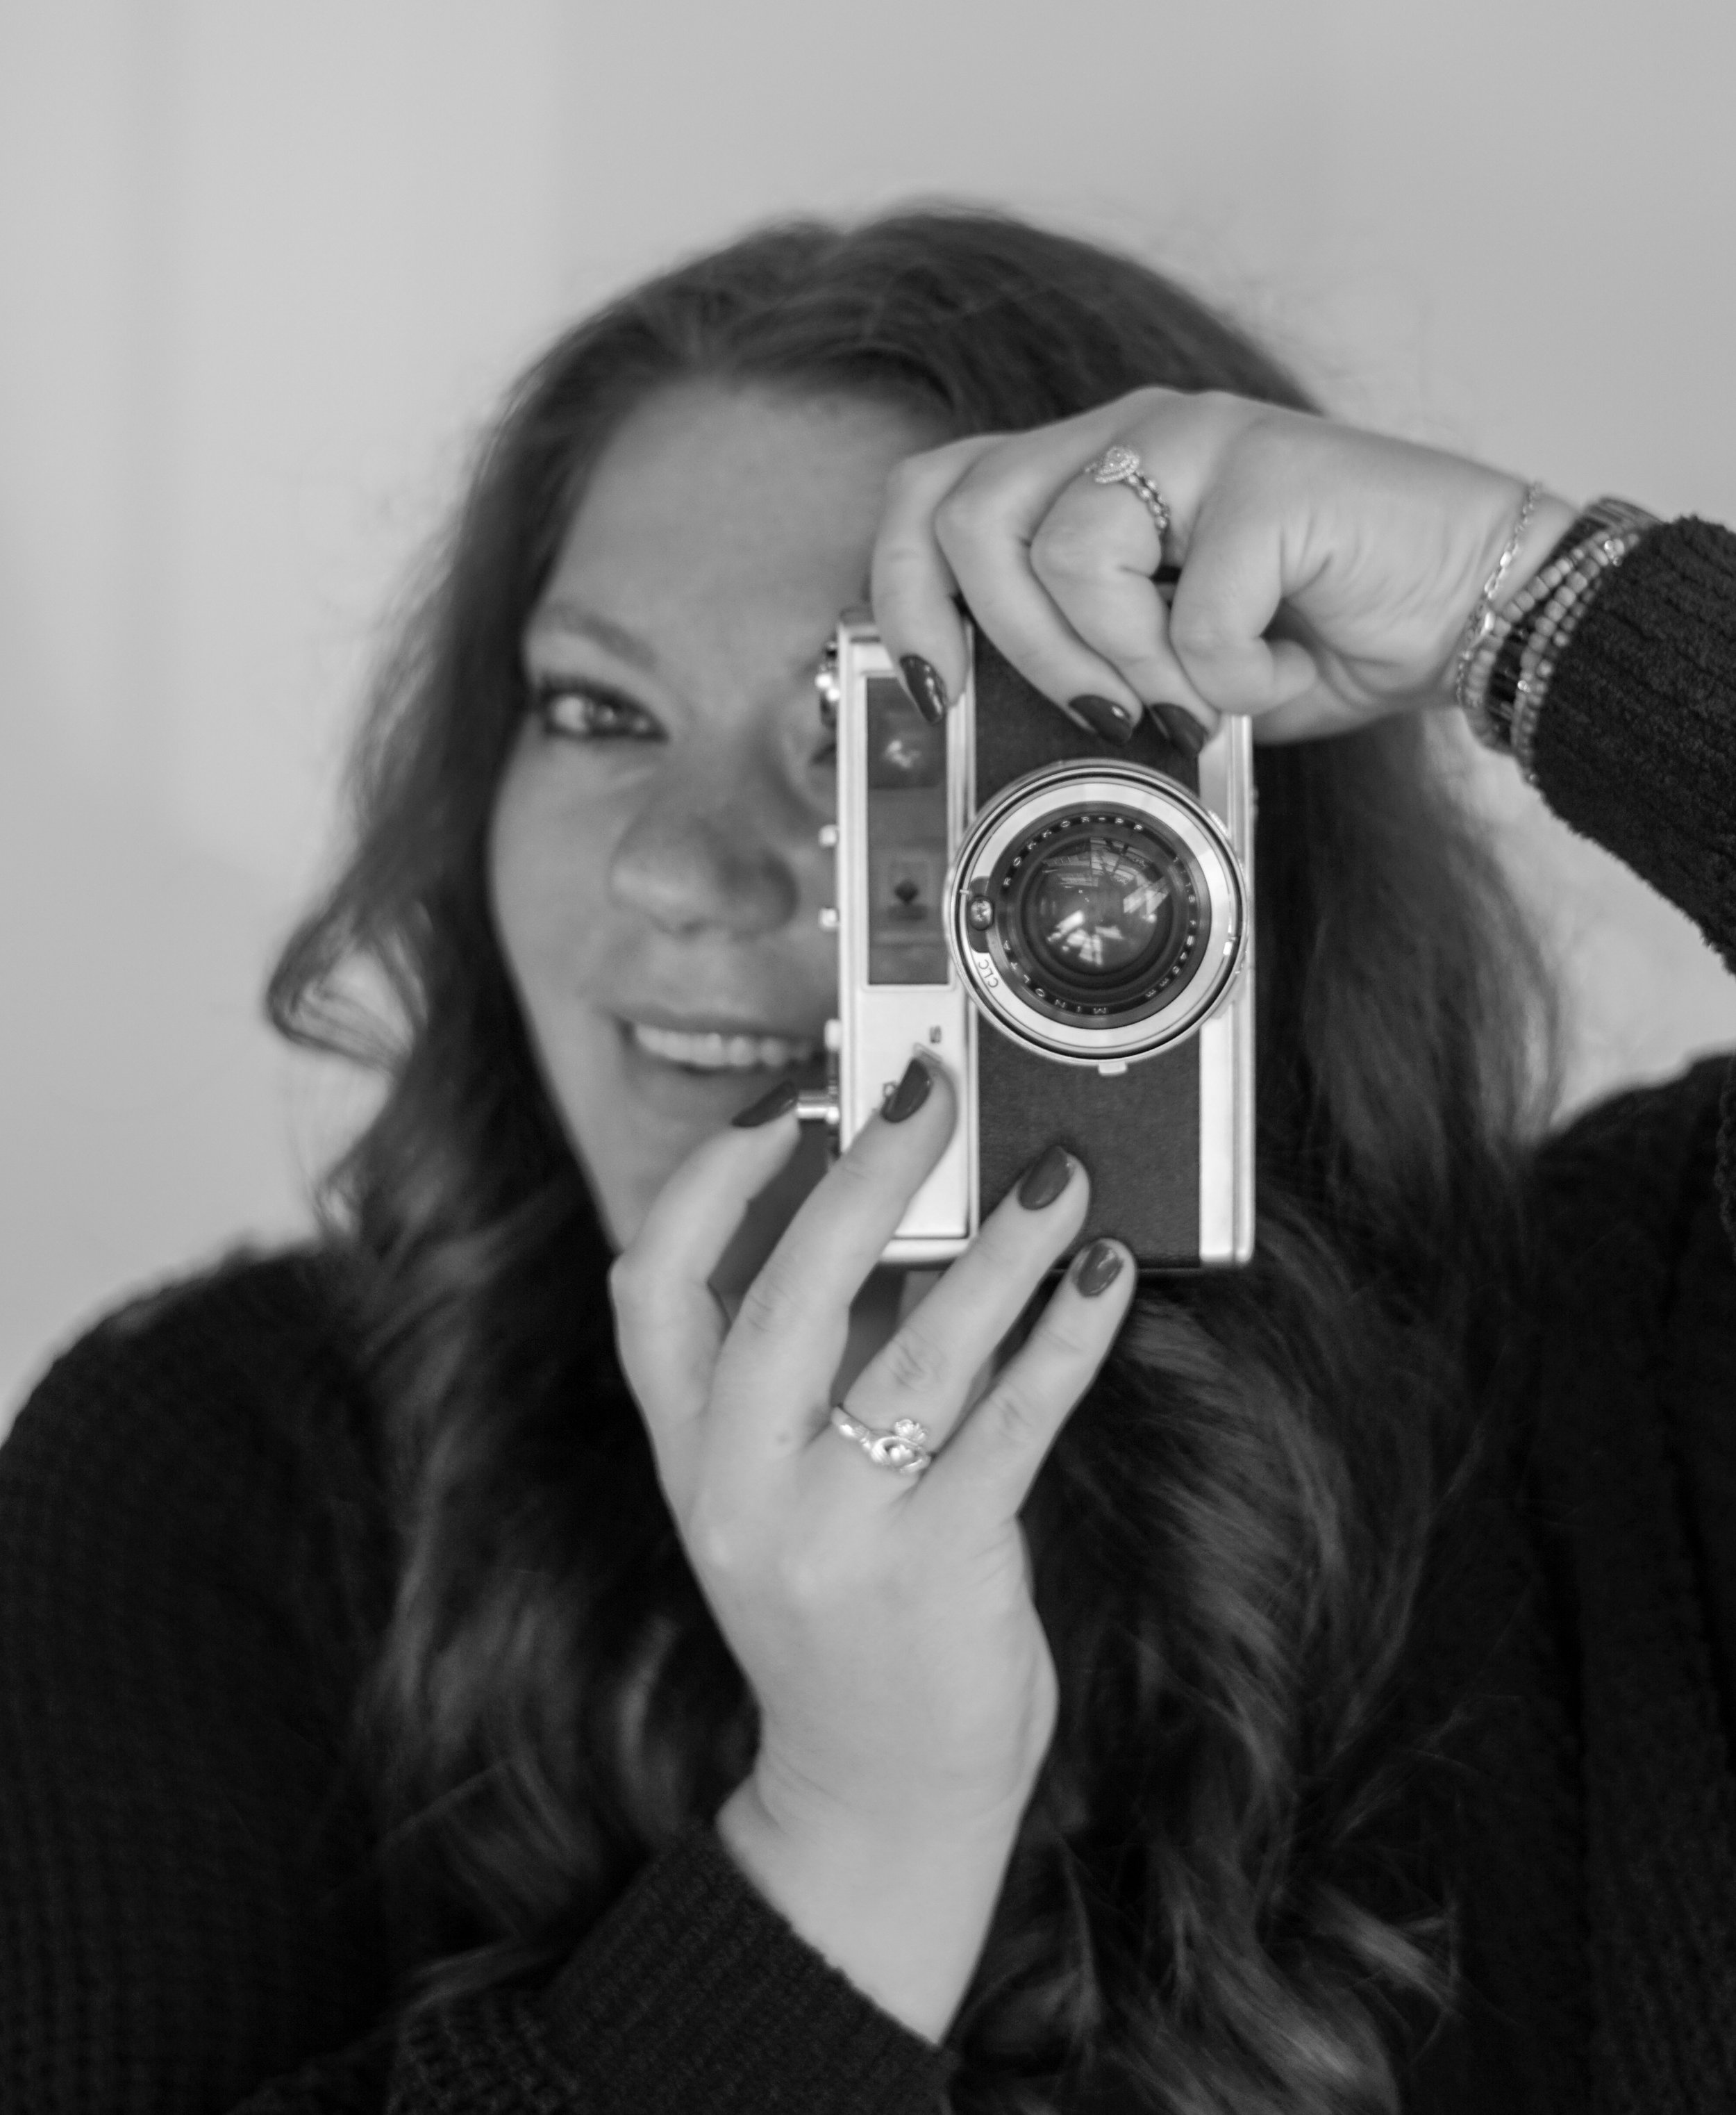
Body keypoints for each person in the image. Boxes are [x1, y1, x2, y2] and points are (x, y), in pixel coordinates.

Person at [1, 208, 1732, 2115]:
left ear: (1172, 834)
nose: (674, 866)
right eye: (596, 712)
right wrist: (849, 1842)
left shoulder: (1616, 1356)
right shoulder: (230, 1466)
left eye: (872, 737)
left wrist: (1538, 605)